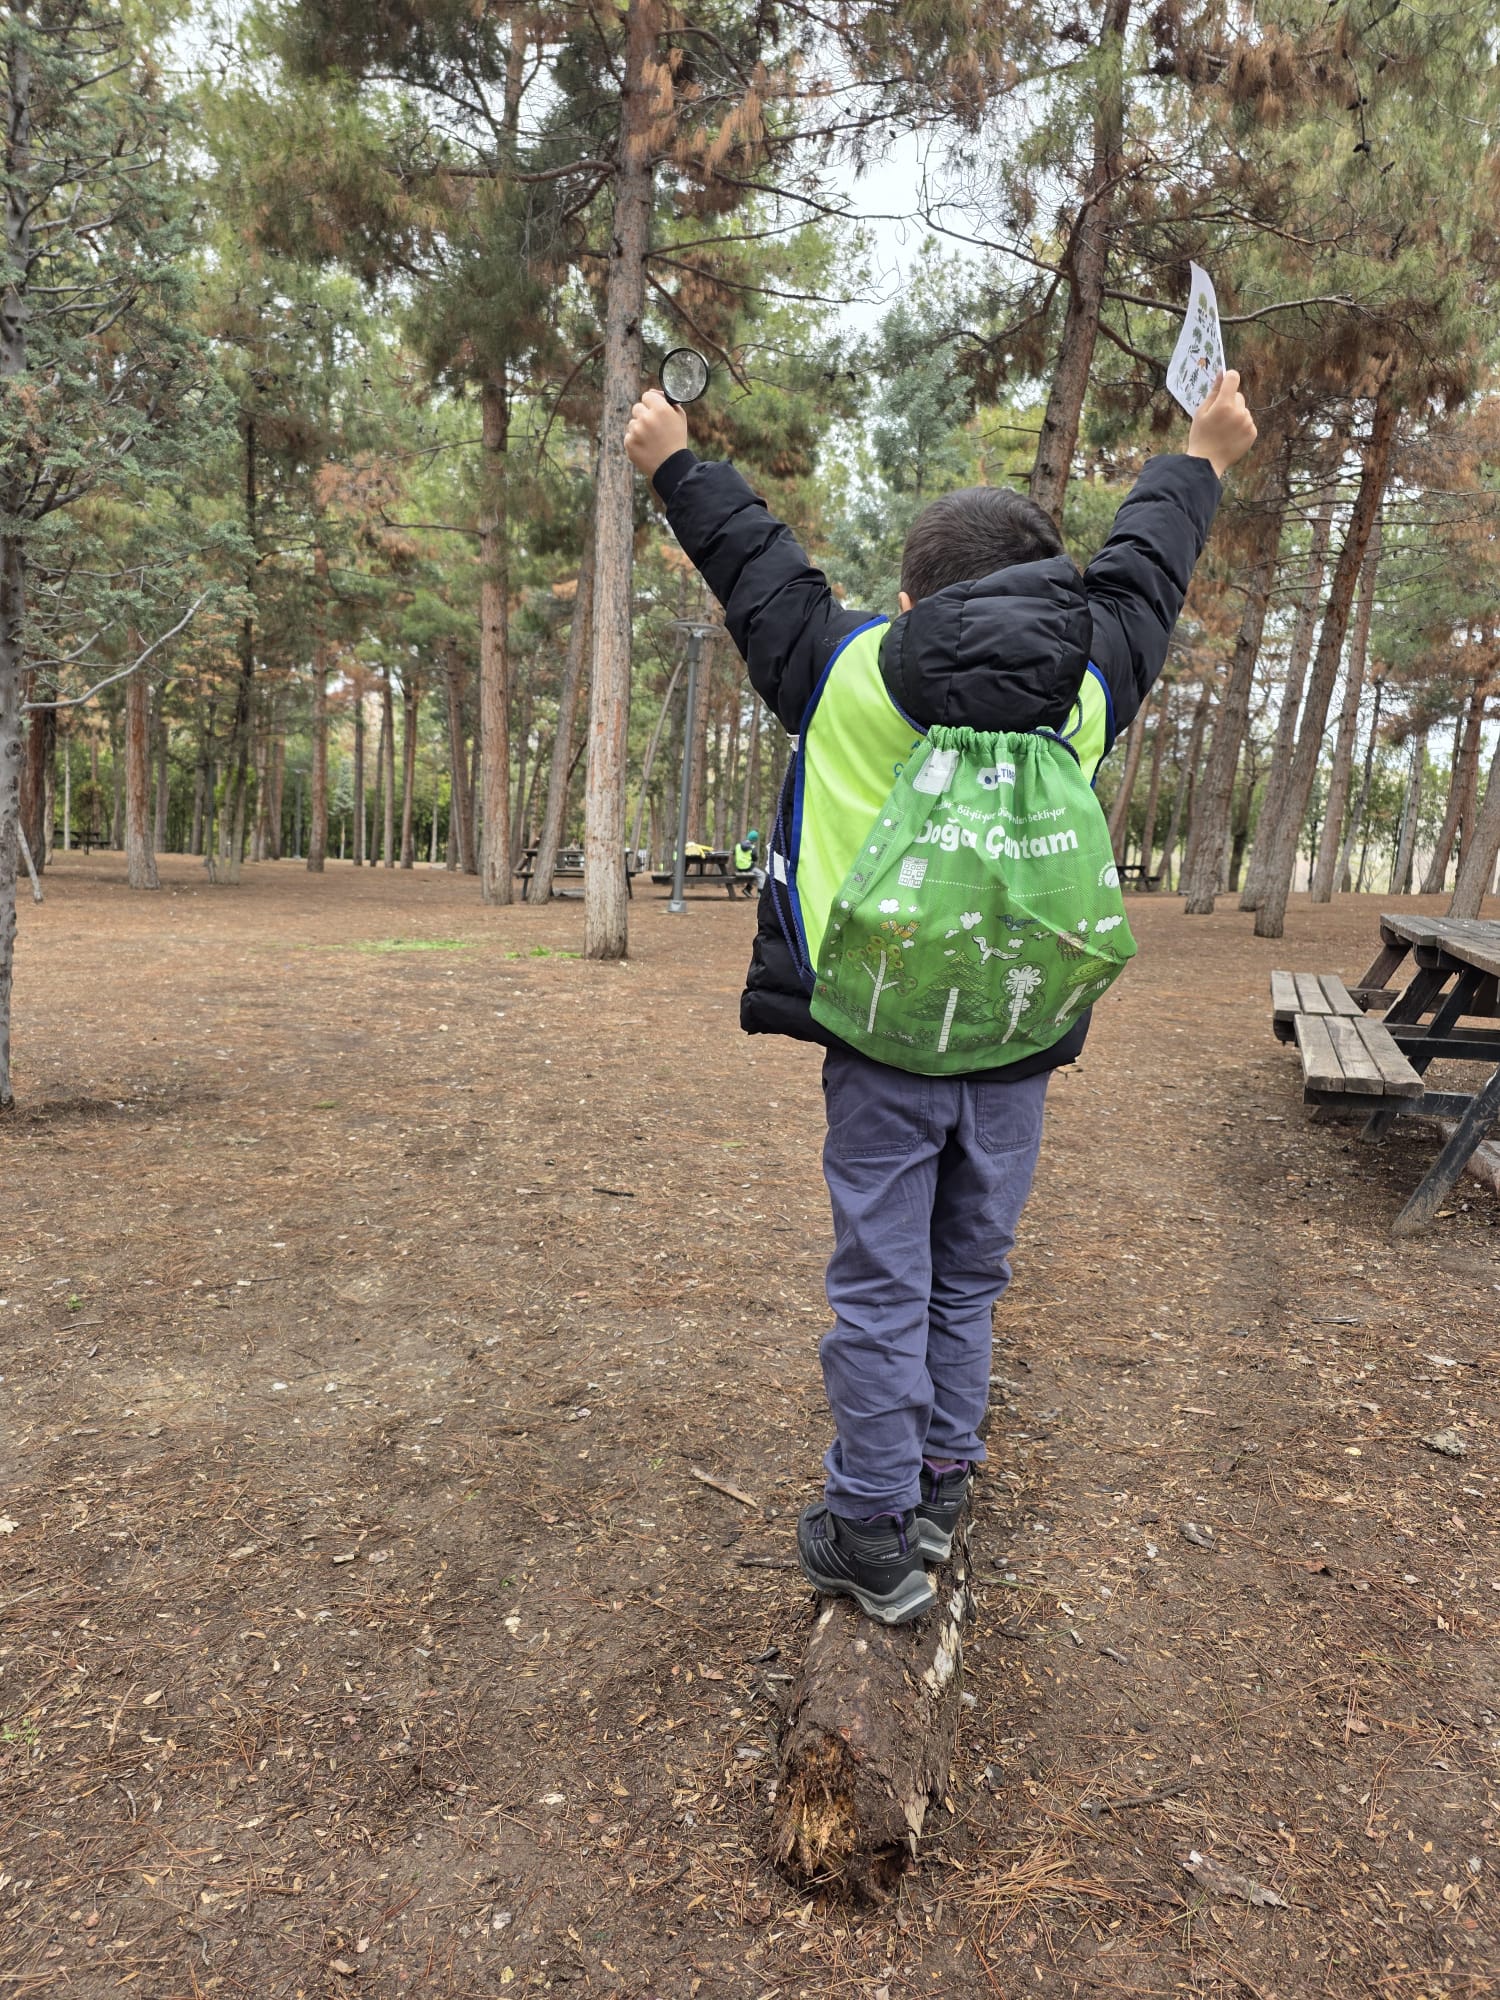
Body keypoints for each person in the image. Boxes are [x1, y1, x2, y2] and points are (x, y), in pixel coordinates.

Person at [624, 373, 1257, 1624]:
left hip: (878, 1037)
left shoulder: (844, 663)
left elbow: (756, 563)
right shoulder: (1089, 680)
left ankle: (866, 1522)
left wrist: (675, 460)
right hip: (1016, 1033)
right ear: (1049, 588)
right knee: (967, 1277)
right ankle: (939, 1481)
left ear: (908, 598)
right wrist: (1200, 456)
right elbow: (1146, 572)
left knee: (880, 1280)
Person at [733, 828, 765, 892]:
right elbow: (755, 858)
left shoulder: (738, 845)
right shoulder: (752, 847)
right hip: (748, 868)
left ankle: (747, 889)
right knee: (762, 875)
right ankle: (760, 893)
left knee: (754, 873)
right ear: (755, 840)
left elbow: (734, 853)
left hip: (739, 868)